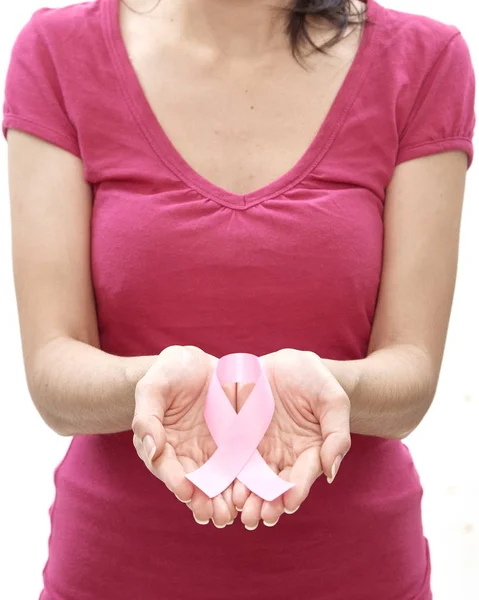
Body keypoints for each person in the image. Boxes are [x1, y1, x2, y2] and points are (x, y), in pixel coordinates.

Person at [2, 0, 475, 597]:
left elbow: (411, 370)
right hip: (114, 573)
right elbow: (52, 369)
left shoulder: (425, 62)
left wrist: (333, 388)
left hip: (356, 574)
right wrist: (149, 385)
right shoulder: (56, 52)